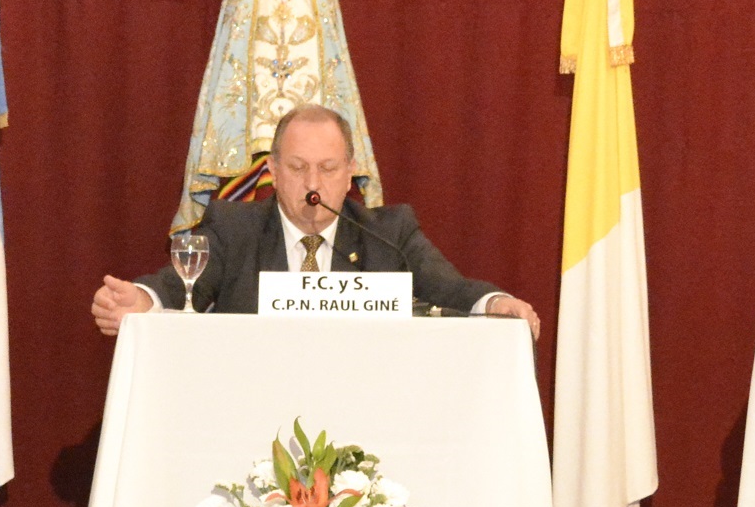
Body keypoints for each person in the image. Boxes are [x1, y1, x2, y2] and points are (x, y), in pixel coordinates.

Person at [92, 104, 541, 338]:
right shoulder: (234, 227)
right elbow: (182, 285)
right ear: (272, 170)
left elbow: (449, 288)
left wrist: (495, 303)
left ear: (349, 173)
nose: (313, 183)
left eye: (327, 169)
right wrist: (143, 299)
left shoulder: (388, 233)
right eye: (297, 167)